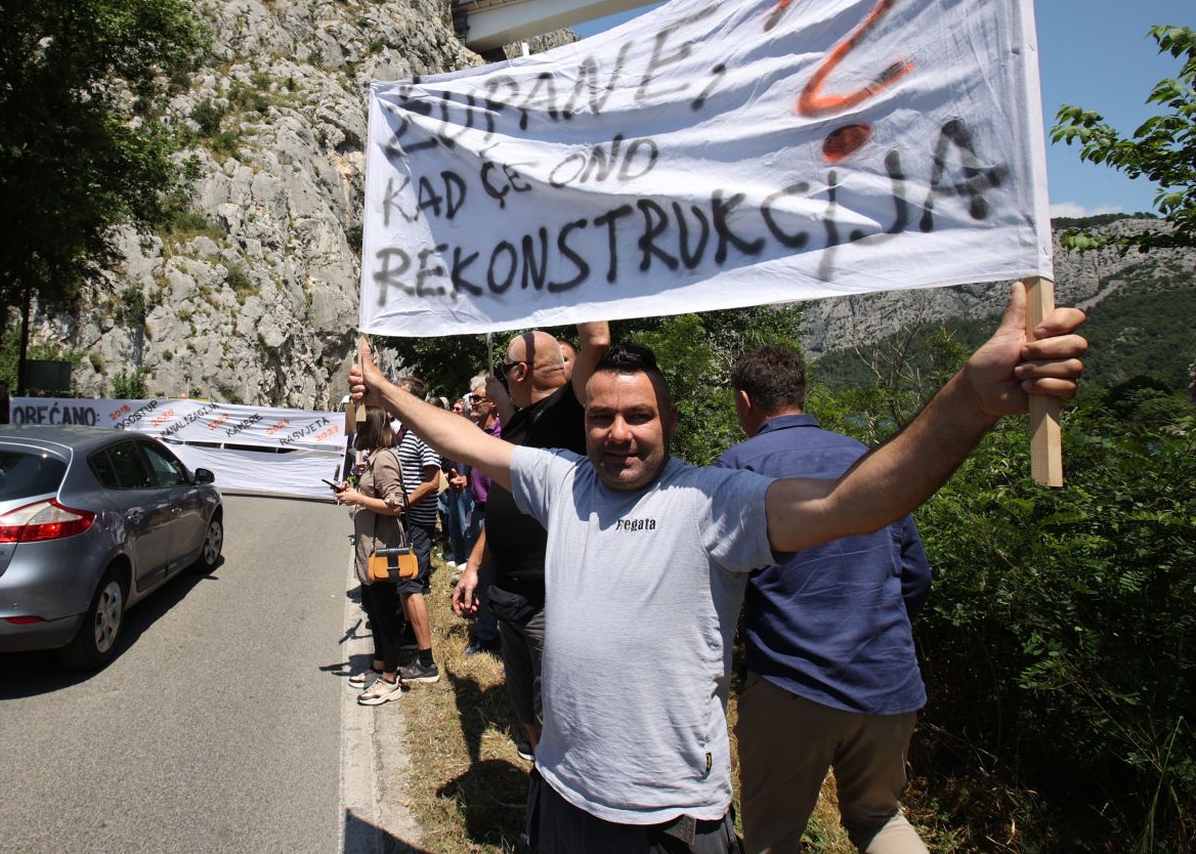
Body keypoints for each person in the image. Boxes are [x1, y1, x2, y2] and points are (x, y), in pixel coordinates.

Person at [352, 284, 1087, 854]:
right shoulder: (563, 481)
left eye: (638, 416)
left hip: (670, 818)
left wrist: (970, 400)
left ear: (669, 421)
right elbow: (465, 441)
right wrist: (385, 392)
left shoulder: (714, 500)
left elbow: (860, 500)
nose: (618, 433)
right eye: (602, 417)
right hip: (561, 793)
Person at [717, 346, 931, 854]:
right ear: (801, 393)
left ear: (744, 401)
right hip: (888, 681)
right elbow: (916, 576)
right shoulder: (868, 458)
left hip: (792, 681)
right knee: (880, 819)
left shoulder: (737, 466)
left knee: (771, 839)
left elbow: (718, 580)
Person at [451, 324, 609, 762]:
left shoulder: (570, 409)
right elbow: (507, 504)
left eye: (506, 369)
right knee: (525, 705)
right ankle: (541, 777)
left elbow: (597, 341)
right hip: (510, 594)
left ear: (521, 371)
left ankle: (559, 785)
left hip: (549, 598)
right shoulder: (520, 422)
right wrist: (474, 566)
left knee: (558, 710)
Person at [336, 407, 409, 706]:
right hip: (371, 547)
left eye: (361, 425)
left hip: (383, 549)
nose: (356, 430)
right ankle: (380, 665)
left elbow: (396, 504)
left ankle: (391, 678)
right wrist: (353, 492)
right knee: (375, 611)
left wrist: (358, 497)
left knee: (386, 614)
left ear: (372, 428)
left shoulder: (385, 459)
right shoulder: (376, 456)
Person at [394, 376, 443, 684]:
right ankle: (411, 638)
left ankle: (427, 662)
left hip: (417, 522)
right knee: (403, 583)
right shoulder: (404, 431)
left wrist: (403, 504)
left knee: (411, 585)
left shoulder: (423, 432)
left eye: (399, 393)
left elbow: (433, 481)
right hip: (406, 520)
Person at [459, 375, 503, 657]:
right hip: (478, 511)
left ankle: (495, 634)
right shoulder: (477, 433)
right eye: (471, 398)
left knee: (494, 576)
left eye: (477, 398)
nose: (472, 403)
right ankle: (487, 633)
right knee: (483, 577)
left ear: (494, 404)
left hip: (497, 515)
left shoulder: (503, 435)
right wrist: (464, 483)